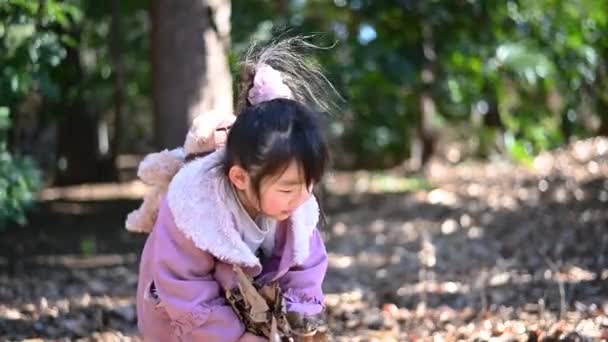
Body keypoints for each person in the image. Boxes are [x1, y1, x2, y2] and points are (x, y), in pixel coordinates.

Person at [135, 37, 339, 342]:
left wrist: (302, 312)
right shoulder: (193, 207)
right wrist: (235, 338)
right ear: (240, 178)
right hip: (180, 321)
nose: (301, 198)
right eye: (287, 189)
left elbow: (306, 262)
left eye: (309, 184)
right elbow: (185, 288)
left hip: (250, 311)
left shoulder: (297, 206)